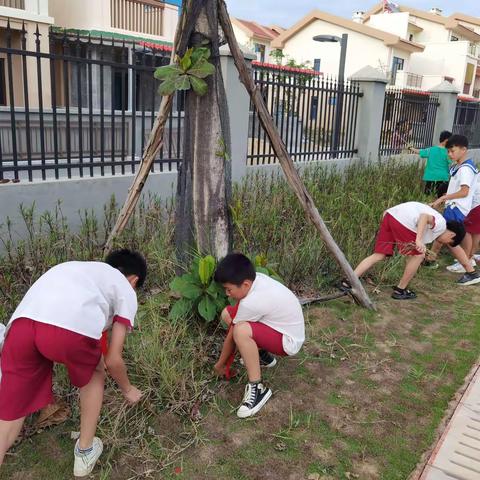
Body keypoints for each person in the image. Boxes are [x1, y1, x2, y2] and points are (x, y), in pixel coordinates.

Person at [0, 249, 147, 477]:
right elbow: (114, 359)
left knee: (10, 416)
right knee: (96, 371)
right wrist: (128, 390)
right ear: (134, 280)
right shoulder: (125, 288)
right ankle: (85, 451)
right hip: (64, 331)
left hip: (20, 327)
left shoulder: (77, 269)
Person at [213, 253, 305, 419]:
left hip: (288, 341)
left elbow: (233, 336)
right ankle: (262, 356)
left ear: (245, 284)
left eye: (229, 289)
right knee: (226, 313)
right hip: (279, 326)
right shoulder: (258, 279)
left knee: (241, 331)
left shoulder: (252, 302)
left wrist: (220, 365)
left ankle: (257, 388)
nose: (227, 294)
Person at [341, 201, 472, 300]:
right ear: (452, 235)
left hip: (390, 216)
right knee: (418, 256)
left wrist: (418, 242)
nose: (443, 243)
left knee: (379, 255)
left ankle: (348, 281)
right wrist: (419, 240)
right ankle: (400, 290)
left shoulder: (434, 228)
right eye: (448, 242)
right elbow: (424, 217)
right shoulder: (441, 224)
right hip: (404, 221)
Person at [430, 134, 479, 273]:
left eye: (453, 151)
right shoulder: (460, 166)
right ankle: (431, 259)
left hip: (457, 207)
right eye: (449, 151)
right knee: (445, 234)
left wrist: (443, 198)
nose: (450, 154)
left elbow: (464, 191)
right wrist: (447, 196)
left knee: (450, 236)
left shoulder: (465, 169)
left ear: (463, 150)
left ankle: (468, 265)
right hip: (454, 205)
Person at [410, 130, 451, 198]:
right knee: (440, 198)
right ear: (446, 140)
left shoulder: (431, 150)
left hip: (430, 177)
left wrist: (411, 148)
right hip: (443, 178)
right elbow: (453, 162)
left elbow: (419, 151)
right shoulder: (448, 152)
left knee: (427, 197)